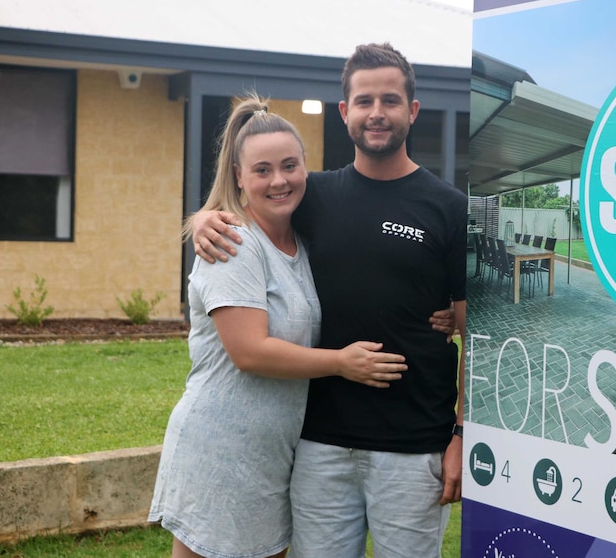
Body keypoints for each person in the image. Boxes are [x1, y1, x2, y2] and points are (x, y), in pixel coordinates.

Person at [192, 43, 466, 558]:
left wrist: (459, 435)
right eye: (364, 101)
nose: (377, 113)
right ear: (345, 112)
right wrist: (202, 220)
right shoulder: (311, 194)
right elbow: (250, 204)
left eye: (390, 99)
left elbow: (475, 336)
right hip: (319, 444)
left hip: (413, 446)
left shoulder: (449, 209)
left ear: (413, 110)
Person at [149, 94, 408, 558]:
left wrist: (440, 307)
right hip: (222, 445)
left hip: (273, 454)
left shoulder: (302, 241)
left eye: (289, 166)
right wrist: (342, 363)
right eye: (262, 170)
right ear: (239, 178)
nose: (279, 180)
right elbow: (250, 352)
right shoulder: (234, 243)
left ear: (307, 167)